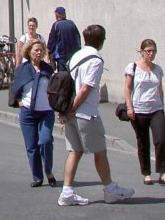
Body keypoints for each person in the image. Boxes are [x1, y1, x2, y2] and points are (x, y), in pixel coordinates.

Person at [57, 23, 134, 206]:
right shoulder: (96, 60)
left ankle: (67, 192)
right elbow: (86, 88)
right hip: (86, 112)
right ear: (101, 40)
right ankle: (110, 189)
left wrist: (67, 109)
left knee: (74, 151)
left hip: (72, 112)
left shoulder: (76, 56)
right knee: (100, 151)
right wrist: (73, 108)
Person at [13, 40, 56, 186]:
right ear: (29, 52)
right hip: (27, 112)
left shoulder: (48, 69)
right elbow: (15, 88)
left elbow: (55, 89)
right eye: (35, 50)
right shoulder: (22, 70)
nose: (38, 53)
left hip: (46, 111)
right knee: (31, 146)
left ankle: (48, 171)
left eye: (40, 50)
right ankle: (37, 177)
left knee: (45, 141)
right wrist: (19, 101)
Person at [123, 38, 164, 185]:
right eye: (148, 51)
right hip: (139, 110)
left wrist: (162, 106)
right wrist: (129, 107)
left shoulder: (158, 69)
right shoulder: (133, 67)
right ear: (142, 52)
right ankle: (146, 173)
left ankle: (162, 171)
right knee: (143, 142)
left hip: (156, 109)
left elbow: (160, 90)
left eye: (154, 51)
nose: (151, 54)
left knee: (161, 140)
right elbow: (127, 88)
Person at [47, 6, 81, 71]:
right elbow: (78, 37)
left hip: (61, 56)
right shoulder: (72, 23)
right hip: (73, 55)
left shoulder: (56, 25)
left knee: (62, 76)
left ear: (57, 15)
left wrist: (49, 51)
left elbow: (51, 41)